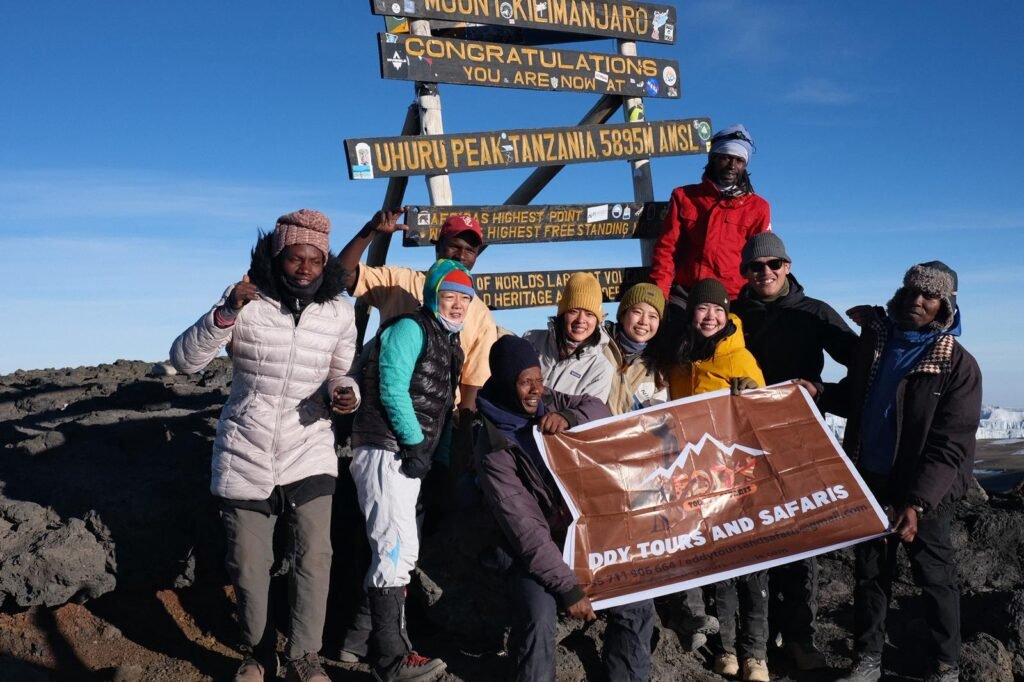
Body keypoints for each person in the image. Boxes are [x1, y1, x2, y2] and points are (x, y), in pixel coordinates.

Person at [170, 209, 358, 682]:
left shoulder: (339, 311)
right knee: (249, 565)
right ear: (278, 256)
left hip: (309, 444)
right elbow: (185, 360)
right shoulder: (247, 299)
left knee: (315, 556)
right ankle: (258, 654)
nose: (305, 268)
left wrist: (346, 394)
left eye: (315, 259)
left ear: (326, 261)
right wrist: (226, 312)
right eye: (296, 257)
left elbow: (343, 372)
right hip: (246, 449)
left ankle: (304, 657)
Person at [474, 335, 655, 682]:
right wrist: (568, 588)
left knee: (635, 598)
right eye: (525, 382)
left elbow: (599, 409)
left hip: (578, 535)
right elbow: (526, 530)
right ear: (506, 383)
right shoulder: (494, 446)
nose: (535, 389)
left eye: (539, 379)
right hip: (525, 551)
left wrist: (570, 416)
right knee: (539, 615)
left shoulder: (549, 401)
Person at [835, 262, 982, 682]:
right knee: (870, 572)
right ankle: (867, 659)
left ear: (945, 306)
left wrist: (917, 502)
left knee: (934, 575)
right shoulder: (879, 344)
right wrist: (817, 391)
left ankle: (945, 665)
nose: (917, 300)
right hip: (872, 476)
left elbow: (951, 443)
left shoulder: (957, 365)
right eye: (912, 291)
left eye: (929, 295)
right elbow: (856, 398)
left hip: (927, 489)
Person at [731, 232, 858, 671]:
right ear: (745, 272)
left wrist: (822, 391)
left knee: (802, 535)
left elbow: (862, 361)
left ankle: (801, 638)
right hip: (743, 441)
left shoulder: (814, 312)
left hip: (801, 437)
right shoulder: (733, 316)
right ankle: (755, 645)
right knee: (753, 536)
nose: (764, 272)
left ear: (788, 266)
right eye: (755, 266)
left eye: (773, 264)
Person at [348, 258, 474, 682]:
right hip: (386, 450)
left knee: (398, 550)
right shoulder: (410, 329)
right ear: (433, 296)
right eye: (450, 295)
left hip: (402, 455)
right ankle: (391, 660)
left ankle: (376, 648)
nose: (458, 304)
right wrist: (416, 442)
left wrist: (437, 456)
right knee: (394, 550)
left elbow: (440, 406)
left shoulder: (447, 341)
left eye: (465, 298)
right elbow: (392, 387)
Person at [664, 278, 769, 682]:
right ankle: (726, 649)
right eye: (702, 308)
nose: (710, 317)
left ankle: (756, 655)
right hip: (699, 480)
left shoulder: (739, 358)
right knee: (720, 564)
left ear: (727, 314)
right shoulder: (680, 360)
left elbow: (763, 411)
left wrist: (754, 394)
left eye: (718, 310)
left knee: (753, 566)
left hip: (740, 475)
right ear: (691, 313)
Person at [339, 209, 497, 410]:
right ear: (438, 246)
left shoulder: (480, 313)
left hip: (439, 417)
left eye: (470, 250)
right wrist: (370, 231)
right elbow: (342, 275)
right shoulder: (400, 281)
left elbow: (472, 383)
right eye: (454, 246)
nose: (461, 256)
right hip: (383, 408)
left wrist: (464, 425)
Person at [649, 124, 772, 307]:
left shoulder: (758, 207)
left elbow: (763, 259)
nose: (732, 166)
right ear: (713, 158)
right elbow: (666, 250)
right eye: (725, 157)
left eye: (739, 160)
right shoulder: (684, 197)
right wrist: (659, 299)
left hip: (734, 299)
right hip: (686, 296)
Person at [524, 271, 614, 403]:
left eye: (589, 314)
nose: (581, 320)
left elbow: (589, 410)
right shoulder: (531, 340)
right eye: (574, 311)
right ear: (562, 314)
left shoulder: (600, 368)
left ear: (597, 321)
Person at [603, 283, 669, 415]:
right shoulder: (600, 344)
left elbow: (659, 415)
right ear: (623, 315)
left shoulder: (658, 364)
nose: (644, 321)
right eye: (637, 312)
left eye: (652, 316)